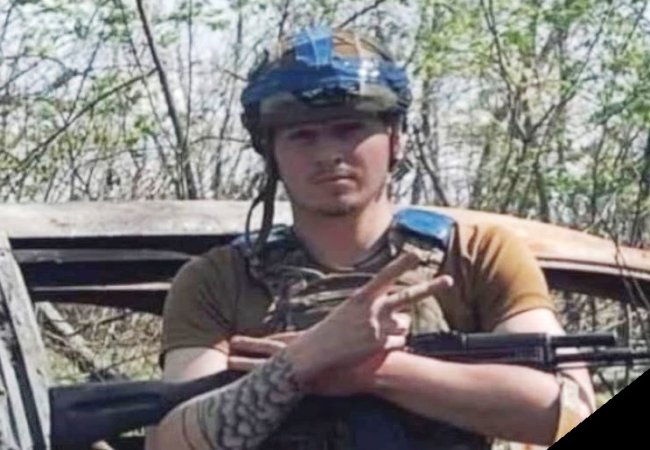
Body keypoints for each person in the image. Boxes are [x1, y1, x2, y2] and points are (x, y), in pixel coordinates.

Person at [145, 25, 596, 450]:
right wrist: (299, 364)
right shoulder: (218, 280)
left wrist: (374, 371)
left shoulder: (476, 254)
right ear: (271, 152)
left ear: (395, 138)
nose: (328, 153)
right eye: (302, 136)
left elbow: (570, 411)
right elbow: (171, 438)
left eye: (350, 129)